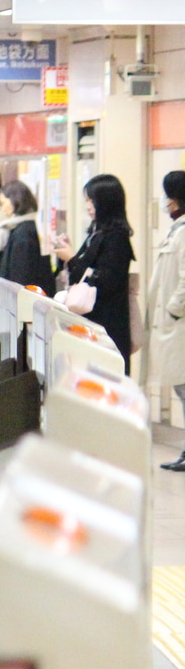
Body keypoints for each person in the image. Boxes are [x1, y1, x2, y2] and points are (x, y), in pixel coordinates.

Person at [52, 173, 135, 373]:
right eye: (87, 201)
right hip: (91, 322)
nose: (88, 206)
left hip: (108, 325)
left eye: (92, 201)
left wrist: (71, 258)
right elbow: (85, 269)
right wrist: (69, 253)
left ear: (106, 202)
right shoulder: (97, 231)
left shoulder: (116, 237)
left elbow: (104, 281)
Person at [151, 171, 185, 470]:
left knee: (184, 386)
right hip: (174, 324)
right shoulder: (177, 229)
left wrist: (174, 309)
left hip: (180, 324)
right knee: (181, 386)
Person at [0, 180, 55, 296]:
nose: (3, 209)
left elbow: (21, 273)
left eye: (4, 203)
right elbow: (10, 262)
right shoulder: (22, 227)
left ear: (15, 201)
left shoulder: (24, 232)